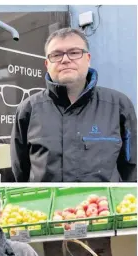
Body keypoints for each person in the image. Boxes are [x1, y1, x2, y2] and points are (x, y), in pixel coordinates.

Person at [10, 27, 137, 182]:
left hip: (102, 205)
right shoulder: (28, 109)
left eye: (74, 52)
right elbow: (21, 170)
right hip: (47, 204)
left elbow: (132, 168)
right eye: (56, 55)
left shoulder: (118, 106)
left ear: (88, 58)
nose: (65, 59)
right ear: (47, 64)